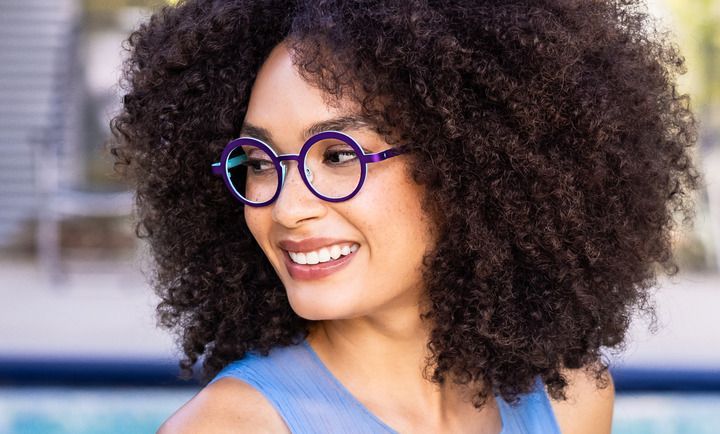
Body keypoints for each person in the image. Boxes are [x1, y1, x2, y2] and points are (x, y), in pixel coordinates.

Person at [109, 0, 700, 432]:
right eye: (259, 161)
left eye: (338, 155)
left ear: (469, 162)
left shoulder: (572, 399)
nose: (286, 207)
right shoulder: (234, 429)